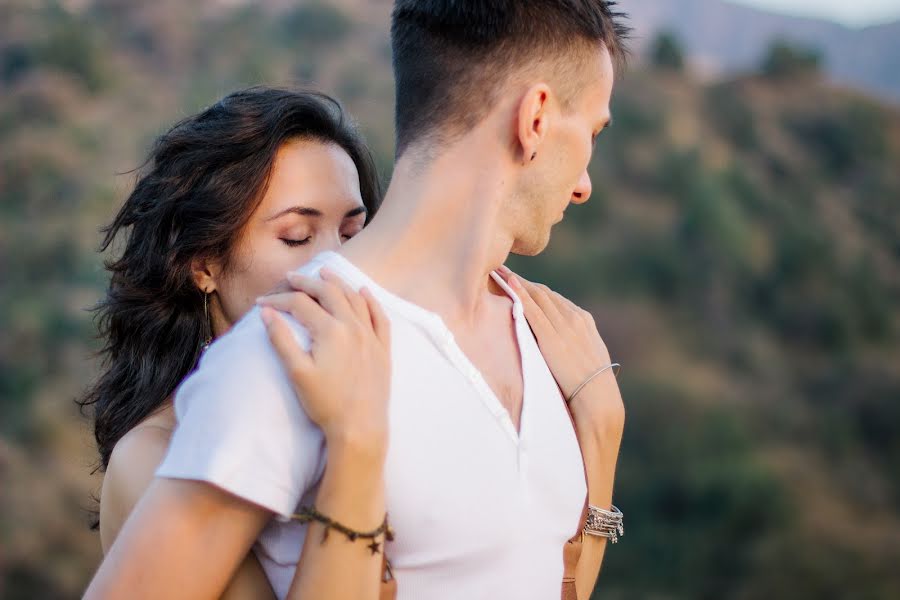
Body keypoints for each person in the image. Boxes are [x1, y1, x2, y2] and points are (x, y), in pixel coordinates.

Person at [84, 1, 630, 599]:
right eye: (594, 133)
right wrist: (356, 450)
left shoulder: (552, 343)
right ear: (536, 117)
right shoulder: (280, 360)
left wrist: (601, 433)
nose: (585, 185)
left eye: (349, 226)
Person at [79, 86, 382, 598]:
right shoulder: (155, 458)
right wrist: (357, 444)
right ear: (204, 265)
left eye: (352, 235)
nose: (339, 268)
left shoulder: (377, 387)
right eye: (296, 237)